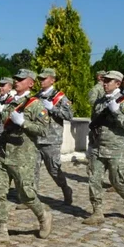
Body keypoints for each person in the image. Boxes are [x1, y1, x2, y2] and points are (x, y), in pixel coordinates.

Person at [0, 69, 52, 247]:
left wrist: (23, 122)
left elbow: (44, 130)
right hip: (3, 154)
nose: (17, 82)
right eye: (16, 79)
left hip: (23, 157)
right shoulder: (10, 101)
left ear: (30, 83)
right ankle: (2, 232)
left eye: (21, 79)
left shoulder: (36, 105)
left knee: (26, 195)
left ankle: (43, 216)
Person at [83, 71, 124, 224]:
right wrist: (90, 145)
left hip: (116, 148)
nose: (105, 83)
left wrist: (116, 112)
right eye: (104, 80)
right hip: (97, 147)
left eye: (109, 81)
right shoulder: (99, 102)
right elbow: (94, 125)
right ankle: (97, 212)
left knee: (117, 181)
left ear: (118, 83)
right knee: (94, 180)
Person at [34, 68, 73, 204]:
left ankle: (65, 189)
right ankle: (31, 198)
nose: (41, 81)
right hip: (36, 138)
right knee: (32, 170)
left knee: (54, 169)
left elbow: (69, 116)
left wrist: (53, 108)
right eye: (40, 78)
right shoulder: (36, 96)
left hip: (52, 139)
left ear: (52, 80)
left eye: (44, 78)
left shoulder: (60, 98)